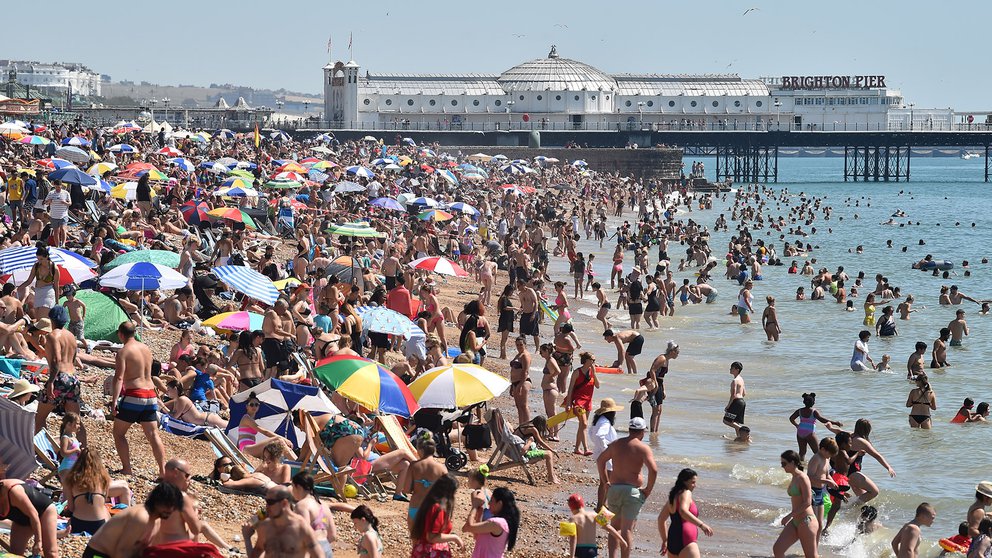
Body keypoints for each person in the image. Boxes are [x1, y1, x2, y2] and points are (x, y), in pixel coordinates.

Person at [596, 417, 658, 558]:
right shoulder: (643, 448)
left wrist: (605, 481)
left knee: (614, 527)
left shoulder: (616, 444)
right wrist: (648, 489)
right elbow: (653, 470)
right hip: (632, 492)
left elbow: (600, 461)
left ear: (629, 430)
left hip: (614, 489)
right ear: (642, 432)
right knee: (627, 530)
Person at [111, 321, 166, 478]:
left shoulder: (124, 352)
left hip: (135, 394)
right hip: (150, 395)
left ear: (121, 334)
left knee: (119, 433)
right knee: (153, 434)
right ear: (134, 333)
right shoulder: (146, 349)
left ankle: (127, 468)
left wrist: (114, 400)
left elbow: (119, 377)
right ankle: (162, 471)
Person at [81, 482, 185, 558]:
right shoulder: (141, 517)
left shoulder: (157, 520)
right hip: (98, 554)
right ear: (156, 500)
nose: (171, 509)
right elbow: (121, 552)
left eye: (174, 506)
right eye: (168, 505)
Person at [35, 305, 85, 442]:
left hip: (59, 378)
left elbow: (57, 359)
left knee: (39, 418)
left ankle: (43, 452)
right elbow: (73, 359)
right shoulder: (71, 336)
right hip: (73, 378)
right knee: (76, 420)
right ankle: (84, 456)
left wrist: (51, 381)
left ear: (52, 319)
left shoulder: (53, 335)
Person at [0, 459, 60, 558]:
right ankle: (57, 534)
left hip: (43, 511)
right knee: (15, 554)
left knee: (50, 552)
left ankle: (53, 534)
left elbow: (34, 515)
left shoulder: (13, 491)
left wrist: (38, 541)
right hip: (22, 520)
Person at [250, 485, 322, 558]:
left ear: (284, 503)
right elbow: (258, 549)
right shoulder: (265, 526)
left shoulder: (301, 527)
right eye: (266, 501)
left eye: (270, 502)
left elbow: (318, 555)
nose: (267, 507)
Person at [657, 468, 713, 558]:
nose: (695, 485)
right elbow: (683, 511)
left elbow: (661, 519)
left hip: (672, 540)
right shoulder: (686, 493)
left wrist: (665, 540)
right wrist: (702, 525)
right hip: (686, 540)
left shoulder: (673, 496)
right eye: (693, 482)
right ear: (684, 482)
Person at [772, 450, 818, 558]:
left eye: (784, 463)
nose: (782, 466)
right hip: (796, 521)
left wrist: (789, 515)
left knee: (811, 556)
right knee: (777, 549)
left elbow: (807, 502)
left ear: (792, 463)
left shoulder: (803, 477)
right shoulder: (794, 477)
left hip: (807, 521)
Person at [410, 474, 463, 558]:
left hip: (422, 549)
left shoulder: (429, 502)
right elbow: (431, 537)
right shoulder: (438, 508)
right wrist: (455, 538)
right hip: (432, 552)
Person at [461, 486, 519, 558]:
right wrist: (480, 515)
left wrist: (474, 506)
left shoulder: (497, 523)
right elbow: (477, 536)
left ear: (499, 503)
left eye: (491, 500)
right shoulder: (501, 522)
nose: (489, 503)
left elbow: (468, 527)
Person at [291, 472, 337, 558]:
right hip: (326, 549)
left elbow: (303, 534)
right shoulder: (324, 505)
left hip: (312, 550)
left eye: (293, 487)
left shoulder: (302, 505)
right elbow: (333, 535)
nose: (292, 491)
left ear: (299, 487)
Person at [565, 492, 626, 558]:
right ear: (583, 505)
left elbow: (573, 537)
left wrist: (572, 555)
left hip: (580, 550)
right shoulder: (593, 514)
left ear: (570, 508)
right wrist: (622, 540)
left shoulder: (572, 519)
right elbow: (608, 527)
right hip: (592, 549)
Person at [406, 435, 447, 525]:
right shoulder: (442, 468)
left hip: (416, 506)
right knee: (432, 537)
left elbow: (406, 489)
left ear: (420, 450)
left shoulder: (414, 466)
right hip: (434, 507)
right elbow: (447, 492)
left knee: (415, 537)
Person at [564, 352, 600, 456]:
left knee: (582, 425)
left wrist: (594, 372)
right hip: (578, 401)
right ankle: (586, 449)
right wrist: (568, 404)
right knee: (584, 424)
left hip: (588, 401)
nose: (594, 362)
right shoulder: (577, 372)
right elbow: (570, 389)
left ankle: (576, 448)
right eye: (592, 360)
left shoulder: (592, 371)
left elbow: (597, 385)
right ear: (586, 360)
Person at [806, 438, 839, 541]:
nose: (830, 457)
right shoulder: (816, 458)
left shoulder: (826, 459)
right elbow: (809, 477)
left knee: (820, 525)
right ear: (823, 449)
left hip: (820, 492)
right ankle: (809, 546)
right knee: (814, 523)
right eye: (829, 454)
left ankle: (815, 548)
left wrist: (832, 482)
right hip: (813, 492)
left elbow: (827, 474)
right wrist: (827, 482)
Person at [646, 341, 679, 432]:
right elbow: (652, 370)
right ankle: (652, 431)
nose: (678, 354)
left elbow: (661, 376)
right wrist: (655, 384)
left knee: (659, 410)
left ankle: (655, 431)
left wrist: (663, 390)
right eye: (677, 352)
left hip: (659, 384)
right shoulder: (662, 358)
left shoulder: (667, 360)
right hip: (653, 384)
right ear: (672, 351)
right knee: (655, 409)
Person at [508, 336, 532, 426]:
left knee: (524, 405)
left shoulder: (525, 355)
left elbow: (525, 372)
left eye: (521, 344)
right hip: (515, 382)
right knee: (518, 406)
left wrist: (520, 385)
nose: (519, 346)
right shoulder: (518, 355)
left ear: (525, 344)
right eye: (517, 345)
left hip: (523, 382)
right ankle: (521, 425)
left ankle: (527, 426)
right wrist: (512, 385)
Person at [722, 361, 746, 437]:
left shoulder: (734, 381)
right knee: (735, 421)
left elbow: (733, 395)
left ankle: (744, 431)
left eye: (732, 368)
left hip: (736, 402)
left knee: (726, 420)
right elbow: (744, 393)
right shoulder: (741, 379)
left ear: (737, 369)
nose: (730, 369)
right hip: (742, 402)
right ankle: (740, 438)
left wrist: (728, 406)